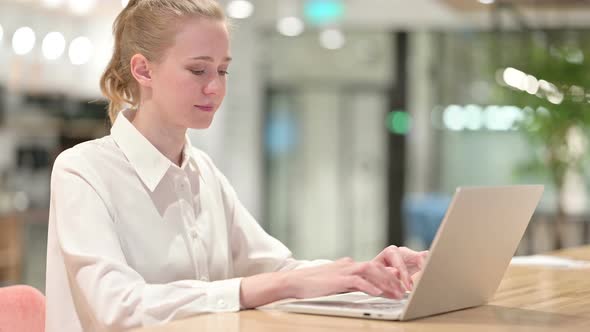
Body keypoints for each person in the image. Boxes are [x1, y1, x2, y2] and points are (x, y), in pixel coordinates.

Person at [45, 0, 428, 331]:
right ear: (144, 70)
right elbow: (118, 308)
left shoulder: (202, 172)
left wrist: (364, 273)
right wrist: (255, 288)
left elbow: (276, 268)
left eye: (222, 70)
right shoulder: (82, 170)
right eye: (198, 70)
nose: (215, 87)